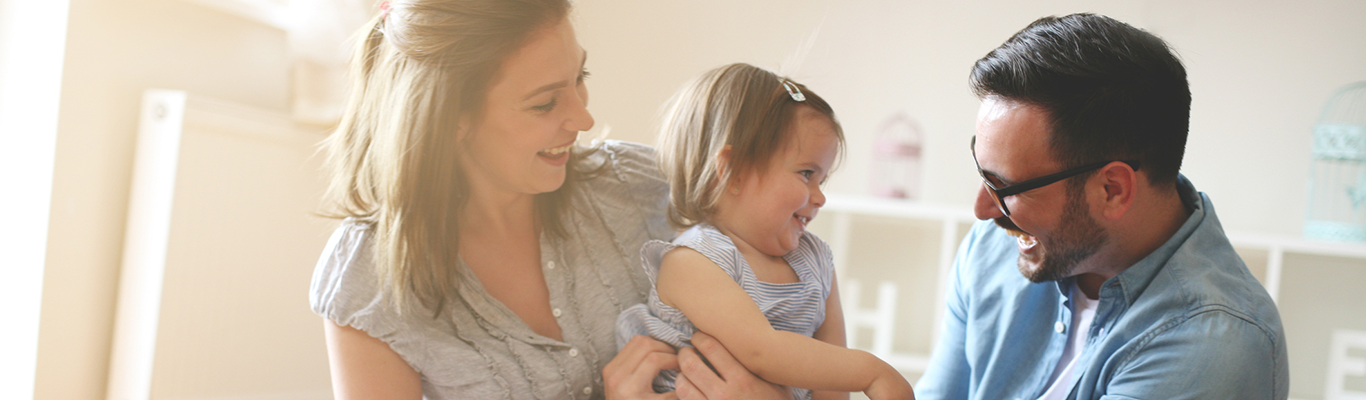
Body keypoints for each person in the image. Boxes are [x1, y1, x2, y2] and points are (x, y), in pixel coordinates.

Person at [308, 1, 791, 399]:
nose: (583, 119)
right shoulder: (367, 280)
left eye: (580, 77)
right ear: (449, 116)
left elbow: (800, 249)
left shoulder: (640, 184)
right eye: (544, 103)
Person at [915, 13, 1289, 400]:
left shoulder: (1213, 342)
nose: (982, 209)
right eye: (983, 171)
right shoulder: (993, 250)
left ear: (1112, 189)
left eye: (1006, 187)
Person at [615, 63, 915, 400]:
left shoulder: (816, 262)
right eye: (806, 173)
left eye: (823, 179)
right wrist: (873, 372)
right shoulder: (693, 262)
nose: (820, 197)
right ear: (733, 171)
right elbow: (763, 353)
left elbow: (832, 391)